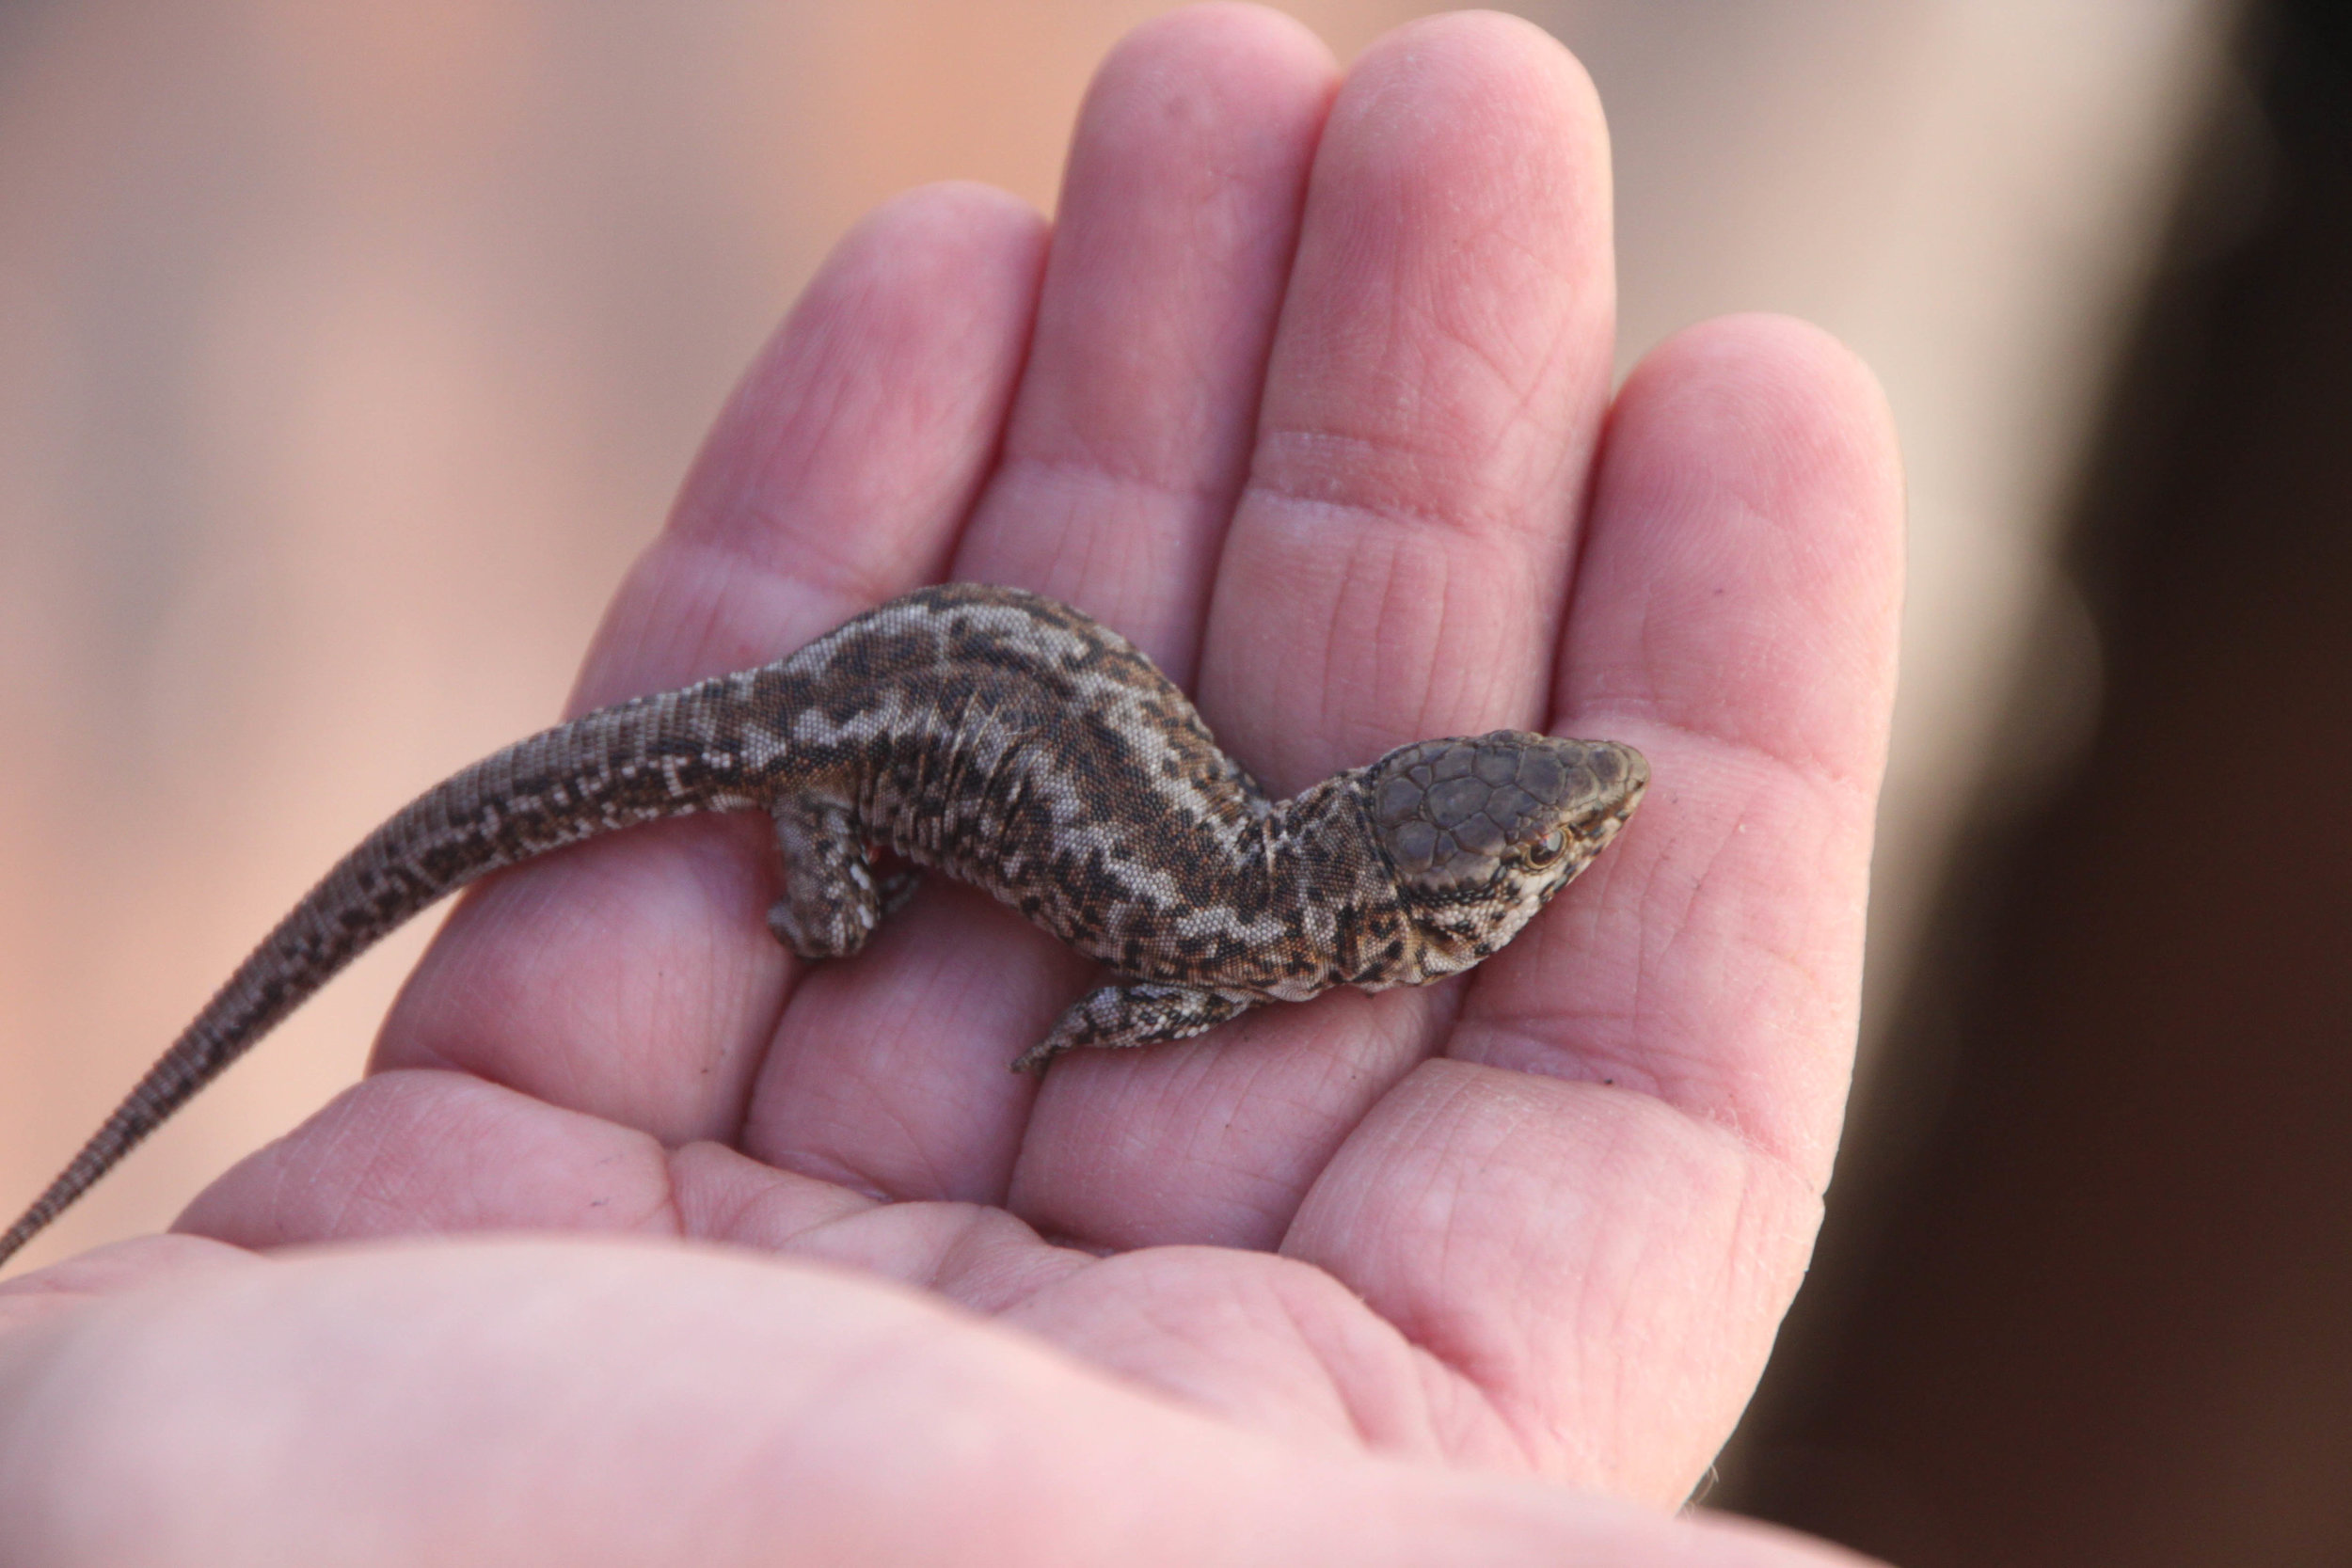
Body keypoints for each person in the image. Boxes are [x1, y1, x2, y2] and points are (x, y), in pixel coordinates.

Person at [0, 8, 1900, 1562]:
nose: (1585, 827)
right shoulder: (1230, 953)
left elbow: (1099, 943)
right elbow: (1103, 1006)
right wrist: (905, 930)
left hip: (872, 695)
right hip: (842, 743)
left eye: (1545, 828)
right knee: (827, 920)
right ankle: (825, 875)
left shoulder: (1249, 889)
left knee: (843, 831)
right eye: (1543, 837)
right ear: (1419, 902)